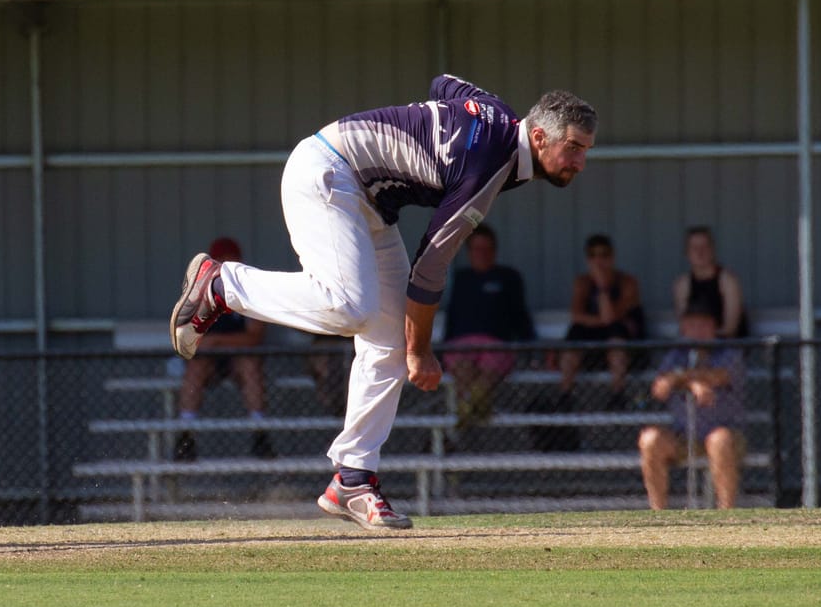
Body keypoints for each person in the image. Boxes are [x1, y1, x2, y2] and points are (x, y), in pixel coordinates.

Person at [169, 76, 597, 529]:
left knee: (389, 337)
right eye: (573, 147)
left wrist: (432, 130)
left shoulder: (494, 112)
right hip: (328, 171)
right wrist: (422, 352)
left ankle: (352, 479)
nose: (580, 162)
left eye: (586, 150)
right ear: (538, 136)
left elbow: (445, 85)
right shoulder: (489, 163)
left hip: (367, 198)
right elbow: (430, 266)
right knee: (350, 307)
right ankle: (222, 285)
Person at [174, 236, 271, 462]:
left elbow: (254, 337)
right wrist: (212, 344)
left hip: (238, 359)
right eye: (221, 263)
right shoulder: (199, 292)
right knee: (196, 368)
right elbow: (189, 338)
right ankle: (186, 437)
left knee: (249, 365)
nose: (226, 270)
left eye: (231, 263)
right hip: (208, 361)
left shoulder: (250, 291)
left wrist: (217, 342)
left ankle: (260, 434)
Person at [637, 310, 746, 510]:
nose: (698, 331)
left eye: (704, 325)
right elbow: (660, 388)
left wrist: (679, 378)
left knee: (719, 440)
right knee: (650, 440)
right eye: (692, 325)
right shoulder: (675, 356)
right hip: (684, 435)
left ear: (715, 327)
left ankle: (727, 513)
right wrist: (693, 384)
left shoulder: (729, 353)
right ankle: (658, 513)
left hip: (725, 434)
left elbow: (719, 376)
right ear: (684, 329)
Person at [440, 224, 534, 429]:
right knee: (463, 367)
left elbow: (520, 315)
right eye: (477, 249)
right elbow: (452, 317)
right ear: (469, 252)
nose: (482, 254)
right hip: (462, 344)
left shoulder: (508, 277)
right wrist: (440, 350)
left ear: (495, 251)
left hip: (496, 343)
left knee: (489, 370)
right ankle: (474, 408)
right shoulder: (462, 279)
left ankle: (468, 410)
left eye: (487, 249)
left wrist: (532, 347)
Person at [557, 233, 646, 397]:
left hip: (625, 345)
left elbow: (611, 316)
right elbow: (576, 316)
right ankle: (564, 394)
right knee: (574, 334)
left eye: (604, 255)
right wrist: (600, 320)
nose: (599, 261)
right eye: (593, 255)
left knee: (616, 336)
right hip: (591, 344)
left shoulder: (627, 282)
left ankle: (618, 394)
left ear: (612, 257)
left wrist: (602, 287)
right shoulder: (582, 282)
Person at [670, 225, 748, 339]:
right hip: (694, 343)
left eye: (704, 246)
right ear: (687, 252)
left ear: (712, 250)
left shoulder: (728, 281)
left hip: (726, 343)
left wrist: (706, 338)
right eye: (694, 248)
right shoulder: (682, 284)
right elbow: (684, 326)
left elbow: (730, 328)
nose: (700, 252)